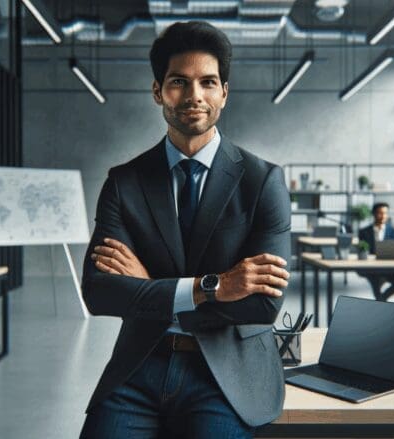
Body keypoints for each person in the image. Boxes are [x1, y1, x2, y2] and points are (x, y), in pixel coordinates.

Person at [79, 21, 291, 438]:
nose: (195, 95)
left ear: (224, 93)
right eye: (179, 81)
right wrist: (213, 287)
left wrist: (149, 288)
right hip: (141, 365)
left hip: (226, 376)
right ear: (158, 91)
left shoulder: (262, 181)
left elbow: (262, 305)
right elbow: (99, 291)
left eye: (208, 82)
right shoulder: (125, 182)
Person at [357, 202, 394, 301]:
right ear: (374, 214)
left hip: (388, 266)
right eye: (380, 213)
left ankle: (380, 300)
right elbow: (362, 251)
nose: (383, 216)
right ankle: (380, 301)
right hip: (371, 267)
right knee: (376, 281)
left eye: (385, 213)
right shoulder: (364, 231)